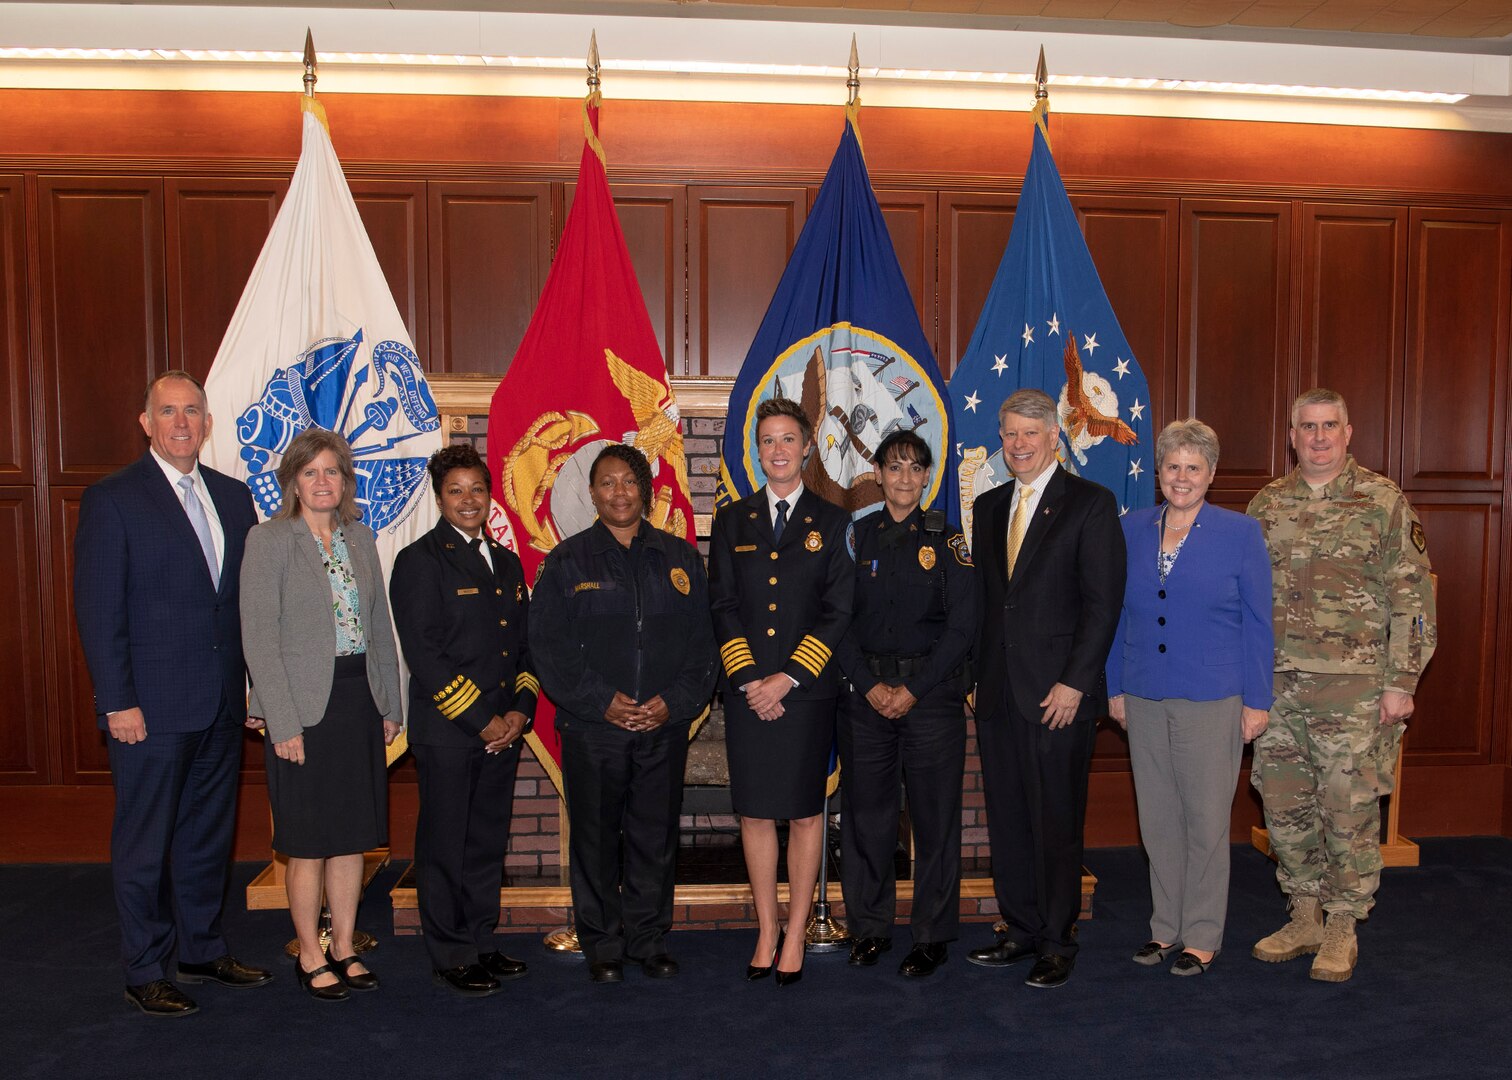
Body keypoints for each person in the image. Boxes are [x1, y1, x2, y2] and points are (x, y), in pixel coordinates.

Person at [73, 370, 273, 1017]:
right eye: (168, 411)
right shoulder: (115, 499)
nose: (182, 422)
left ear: (207, 422)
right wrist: (116, 701)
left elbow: (241, 607)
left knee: (207, 837)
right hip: (148, 710)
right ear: (146, 422)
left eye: (192, 411)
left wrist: (251, 688)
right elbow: (100, 612)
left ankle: (201, 949)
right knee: (144, 841)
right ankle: (144, 966)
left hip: (218, 703)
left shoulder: (234, 498)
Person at [1247, 388, 1436, 982]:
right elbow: (1243, 601)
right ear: (1292, 435)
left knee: (1348, 811)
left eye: (1330, 425)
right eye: (1308, 427)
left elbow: (1414, 598)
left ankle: (1342, 925)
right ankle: (1303, 913)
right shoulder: (1266, 504)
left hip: (1355, 691)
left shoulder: (1382, 501)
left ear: (1348, 432)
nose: (1319, 437)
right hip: (1278, 688)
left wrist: (1401, 681)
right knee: (1284, 806)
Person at [531, 444, 717, 985]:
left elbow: (703, 646)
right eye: (608, 483)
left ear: (647, 492)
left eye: (629, 482)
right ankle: (603, 944)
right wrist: (601, 701)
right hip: (594, 730)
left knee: (654, 837)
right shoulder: (567, 562)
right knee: (593, 837)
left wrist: (674, 703)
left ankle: (648, 939)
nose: (619, 492)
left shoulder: (680, 558)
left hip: (663, 726)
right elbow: (549, 649)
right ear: (592, 493)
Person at [966, 388, 1125, 989]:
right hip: (1000, 694)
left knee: (1056, 821)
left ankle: (1059, 941)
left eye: (1030, 433)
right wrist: (974, 680)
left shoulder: (1090, 503)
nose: (1018, 444)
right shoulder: (987, 507)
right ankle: (1023, 929)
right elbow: (985, 602)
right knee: (1008, 819)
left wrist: (1074, 685)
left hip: (1058, 698)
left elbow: (1101, 606)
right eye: (1009, 434)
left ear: (1054, 436)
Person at [240, 427, 403, 1002]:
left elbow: (380, 628)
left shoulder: (359, 539)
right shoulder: (269, 540)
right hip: (302, 709)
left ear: (346, 480)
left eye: (332, 471)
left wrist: (389, 703)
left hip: (359, 700)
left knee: (352, 837)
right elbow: (259, 638)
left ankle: (345, 947)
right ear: (292, 481)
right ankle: (309, 951)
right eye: (310, 472)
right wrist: (280, 721)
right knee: (307, 838)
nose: (322, 482)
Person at [1106, 419, 1273, 976]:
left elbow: (1257, 623)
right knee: (1157, 819)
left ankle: (1202, 934)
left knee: (1203, 819)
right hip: (1144, 691)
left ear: (1212, 474)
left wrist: (1257, 700)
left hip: (1213, 696)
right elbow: (1114, 616)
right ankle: (1165, 929)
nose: (1182, 478)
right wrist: (1115, 687)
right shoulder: (1130, 528)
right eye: (1173, 466)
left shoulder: (1240, 533)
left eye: (1193, 468)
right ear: (1159, 472)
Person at [709, 397, 854, 987]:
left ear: (807, 446)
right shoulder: (732, 520)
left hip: (805, 693)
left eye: (788, 439)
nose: (778, 450)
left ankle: (796, 932)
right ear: (757, 450)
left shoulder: (834, 520)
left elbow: (838, 609)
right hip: (749, 695)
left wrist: (787, 678)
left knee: (802, 811)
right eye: (768, 440)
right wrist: (749, 680)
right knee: (755, 812)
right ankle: (766, 930)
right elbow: (720, 605)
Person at [390, 445, 538, 998]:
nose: (469, 500)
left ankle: (480, 939)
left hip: (503, 729)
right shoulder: (419, 562)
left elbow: (524, 647)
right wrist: (483, 721)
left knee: (484, 842)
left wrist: (519, 712)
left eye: (477, 489)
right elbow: (426, 656)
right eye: (457, 491)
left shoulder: (505, 561)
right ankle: (450, 952)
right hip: (451, 732)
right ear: (439, 498)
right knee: (445, 843)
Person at [835, 430, 977, 979]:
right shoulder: (857, 536)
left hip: (932, 699)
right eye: (894, 467)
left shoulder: (950, 540)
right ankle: (870, 929)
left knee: (935, 821)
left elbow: (964, 625)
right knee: (867, 819)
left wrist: (913, 690)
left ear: (927, 477)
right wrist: (871, 686)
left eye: (915, 469)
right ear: (878, 472)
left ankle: (932, 936)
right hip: (865, 697)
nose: (904, 478)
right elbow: (836, 619)